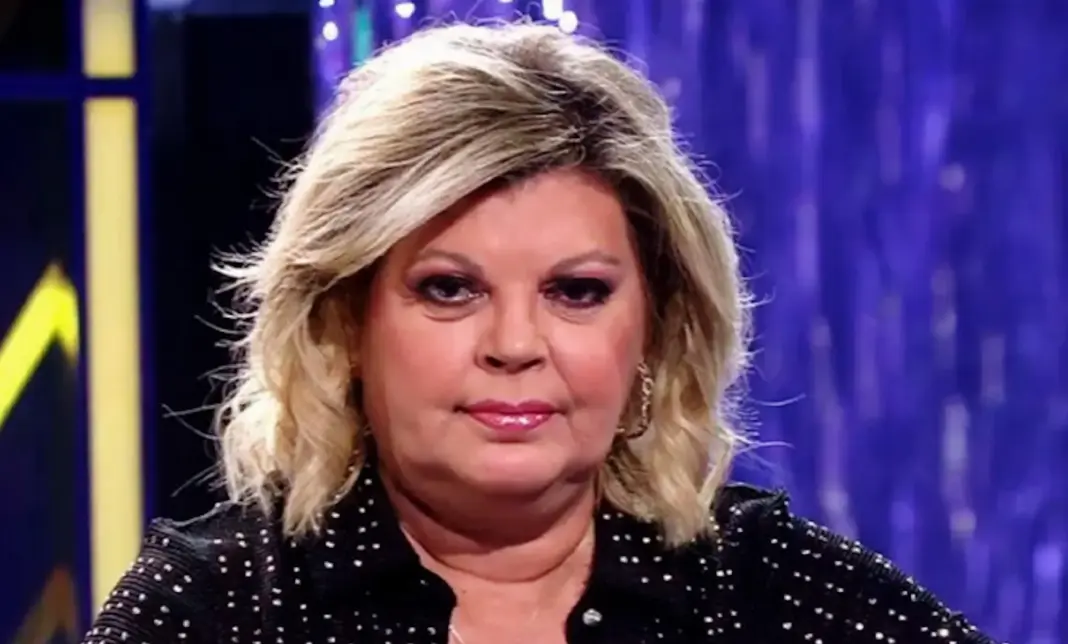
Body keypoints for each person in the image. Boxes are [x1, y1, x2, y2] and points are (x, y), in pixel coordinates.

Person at [82, 20, 998, 644]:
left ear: (655, 331)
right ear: (345, 324)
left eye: (576, 292)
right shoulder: (219, 609)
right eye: (449, 290)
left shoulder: (771, 592)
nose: (516, 344)